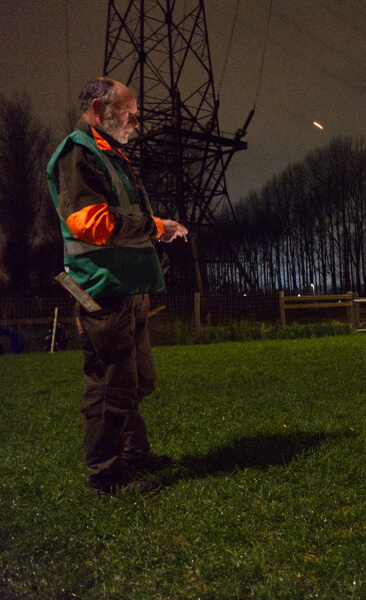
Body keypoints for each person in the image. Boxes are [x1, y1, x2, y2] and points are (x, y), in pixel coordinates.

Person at [46, 77, 188, 497]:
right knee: (111, 384)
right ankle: (106, 478)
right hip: (101, 290)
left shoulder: (110, 155)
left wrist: (153, 236)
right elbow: (90, 222)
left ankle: (133, 454)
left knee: (137, 381)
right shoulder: (78, 154)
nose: (136, 122)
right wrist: (157, 227)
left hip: (127, 288)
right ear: (98, 108)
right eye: (130, 113)